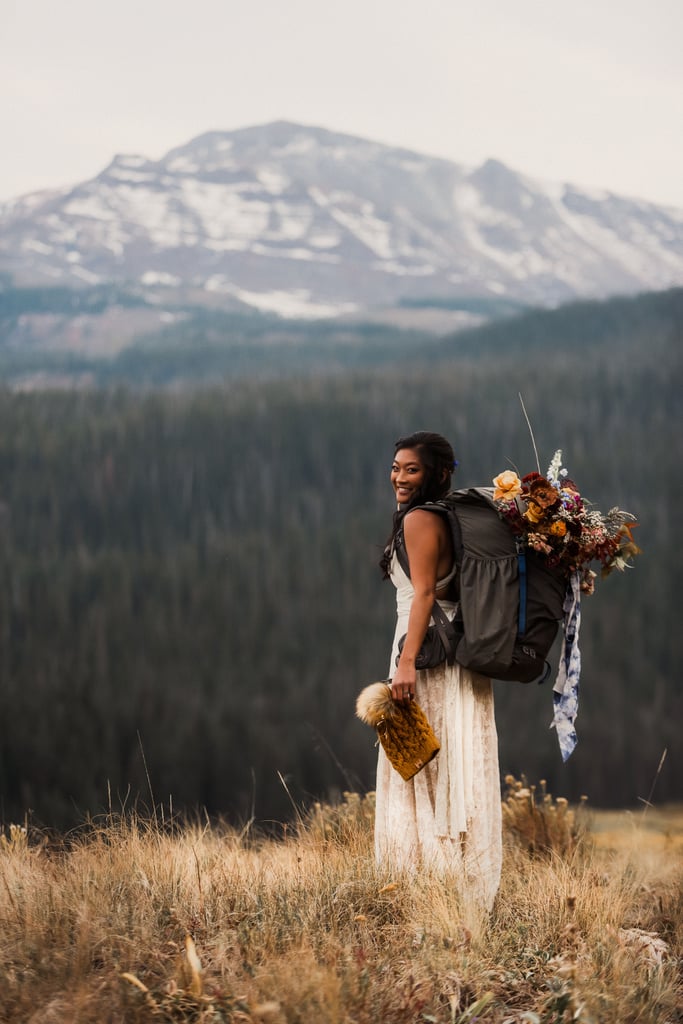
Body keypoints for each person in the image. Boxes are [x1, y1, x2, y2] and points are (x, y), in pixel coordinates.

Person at [374, 431, 502, 909]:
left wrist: (405, 664)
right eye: (395, 467)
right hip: (459, 660)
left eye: (411, 469)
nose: (399, 478)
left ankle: (424, 888)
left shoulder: (421, 520)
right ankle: (461, 889)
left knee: (419, 765)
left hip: (425, 657)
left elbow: (424, 594)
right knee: (454, 765)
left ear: (437, 472)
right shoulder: (454, 516)